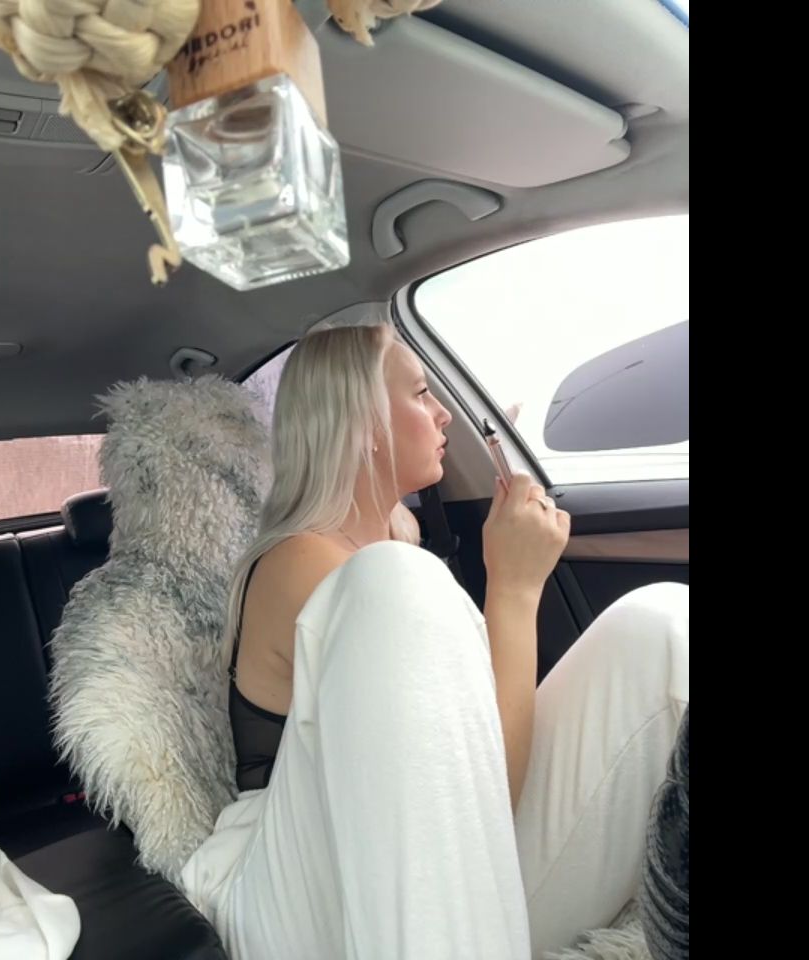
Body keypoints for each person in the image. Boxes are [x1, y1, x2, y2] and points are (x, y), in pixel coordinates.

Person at [181, 322, 689, 960]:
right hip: (299, 893)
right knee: (395, 580)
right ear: (365, 422)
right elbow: (479, 790)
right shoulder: (301, 562)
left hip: (424, 890)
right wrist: (513, 587)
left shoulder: (398, 543)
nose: (444, 412)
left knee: (660, 623)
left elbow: (467, 799)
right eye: (422, 393)